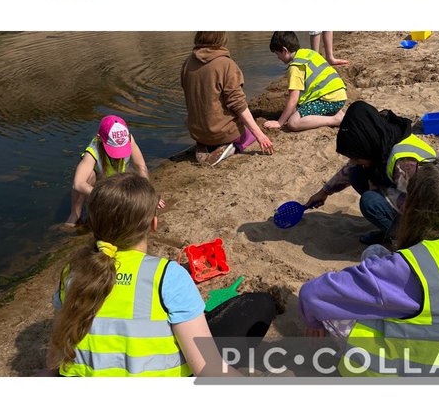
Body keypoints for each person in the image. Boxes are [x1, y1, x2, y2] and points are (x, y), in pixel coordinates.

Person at [49, 173, 275, 376]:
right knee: (259, 304)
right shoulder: (167, 275)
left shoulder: (71, 272)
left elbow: (61, 351)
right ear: (153, 223)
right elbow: (208, 369)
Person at [299, 163, 439, 377]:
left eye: (405, 198)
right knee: (375, 253)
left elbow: (312, 294)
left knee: (331, 308)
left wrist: (313, 320)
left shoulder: (405, 269)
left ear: (409, 209)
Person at [303, 101, 439, 245]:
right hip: (413, 196)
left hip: (435, 214)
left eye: (357, 157)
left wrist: (378, 189)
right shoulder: (383, 140)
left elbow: (419, 205)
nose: (353, 160)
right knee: (356, 173)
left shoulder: (404, 163)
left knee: (370, 201)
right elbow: (349, 169)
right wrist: (325, 192)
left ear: (368, 145)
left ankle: (408, 239)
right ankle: (392, 229)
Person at [180, 31, 274, 166]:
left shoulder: (187, 62)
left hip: (197, 131)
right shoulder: (226, 64)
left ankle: (203, 144)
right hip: (220, 133)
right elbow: (238, 104)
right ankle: (230, 148)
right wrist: (260, 136)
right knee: (250, 133)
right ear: (222, 37)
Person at [63, 115, 157, 227]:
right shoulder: (93, 150)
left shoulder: (128, 139)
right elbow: (78, 184)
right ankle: (75, 214)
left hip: (117, 178)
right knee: (88, 176)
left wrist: (147, 193)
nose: (118, 154)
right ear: (100, 138)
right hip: (98, 184)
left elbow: (140, 165)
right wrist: (106, 195)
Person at [265, 31, 348, 131]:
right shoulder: (308, 52)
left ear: (285, 50)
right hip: (339, 94)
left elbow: (293, 99)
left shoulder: (295, 67)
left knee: (293, 122)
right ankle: (335, 112)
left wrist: (279, 122)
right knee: (294, 111)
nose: (278, 58)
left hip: (329, 98)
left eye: (277, 54)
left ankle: (336, 119)